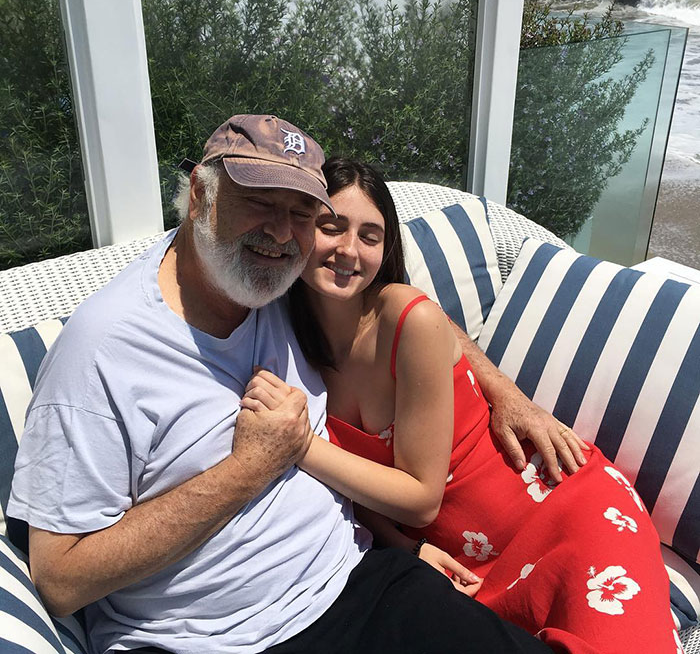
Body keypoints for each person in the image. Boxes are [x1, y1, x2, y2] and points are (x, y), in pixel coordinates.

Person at [8, 115, 556, 654]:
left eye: (300, 213)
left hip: (361, 581)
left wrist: (503, 390)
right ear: (200, 195)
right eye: (259, 202)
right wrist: (248, 468)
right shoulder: (103, 349)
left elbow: (406, 313)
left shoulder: (278, 284)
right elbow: (60, 581)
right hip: (209, 640)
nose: (278, 232)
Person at [243, 157, 680, 654]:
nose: (349, 250)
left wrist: (297, 444)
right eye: (331, 227)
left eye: (370, 236)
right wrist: (406, 545)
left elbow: (420, 498)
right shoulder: (285, 341)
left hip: (564, 515)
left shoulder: (406, 318)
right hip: (461, 566)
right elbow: (350, 490)